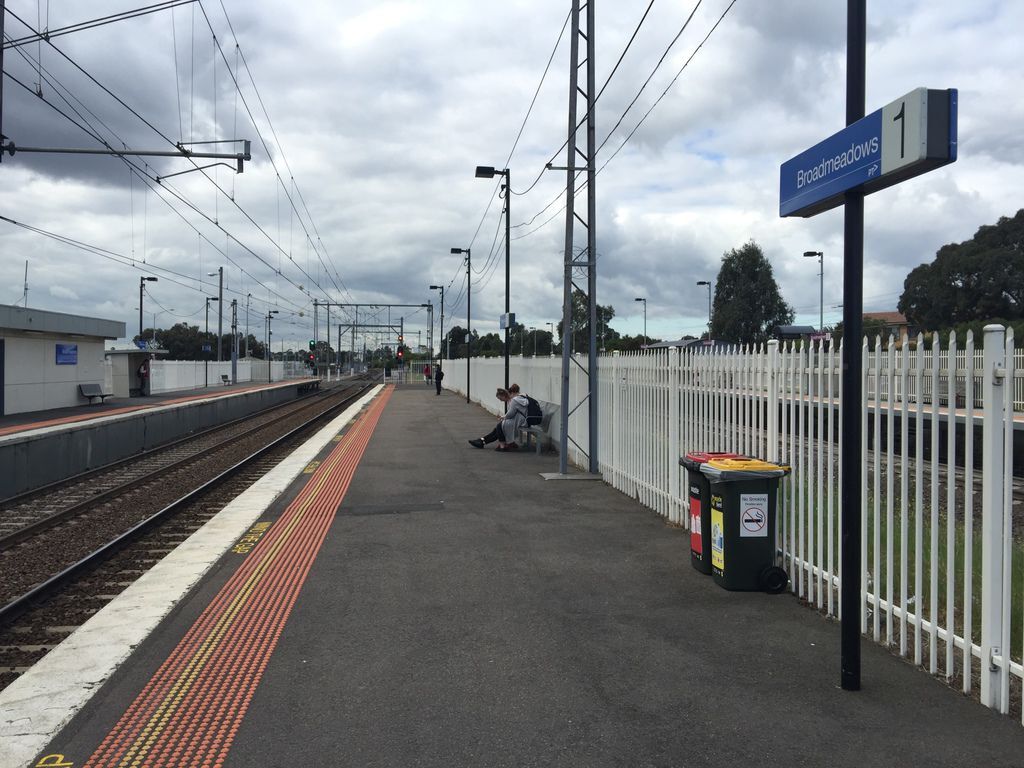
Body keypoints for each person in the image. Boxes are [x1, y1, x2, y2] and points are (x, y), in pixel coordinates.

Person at [468, 387, 528, 451]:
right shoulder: (513, 400)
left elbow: (511, 414)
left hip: (522, 421)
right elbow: (512, 413)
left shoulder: (513, 400)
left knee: (499, 426)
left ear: (504, 396)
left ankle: (501, 445)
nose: (500, 400)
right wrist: (505, 417)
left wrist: (504, 417)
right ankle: (482, 441)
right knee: (498, 428)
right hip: (520, 420)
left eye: (500, 398)